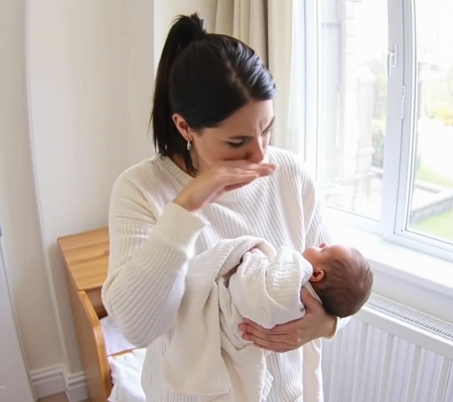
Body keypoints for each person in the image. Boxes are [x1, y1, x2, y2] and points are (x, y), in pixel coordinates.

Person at [102, 12, 346, 402]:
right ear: (184, 127)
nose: (260, 154)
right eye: (237, 142)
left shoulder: (290, 174)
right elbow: (137, 327)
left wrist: (327, 325)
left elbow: (337, 282)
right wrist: (186, 207)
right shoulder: (140, 190)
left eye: (266, 129)